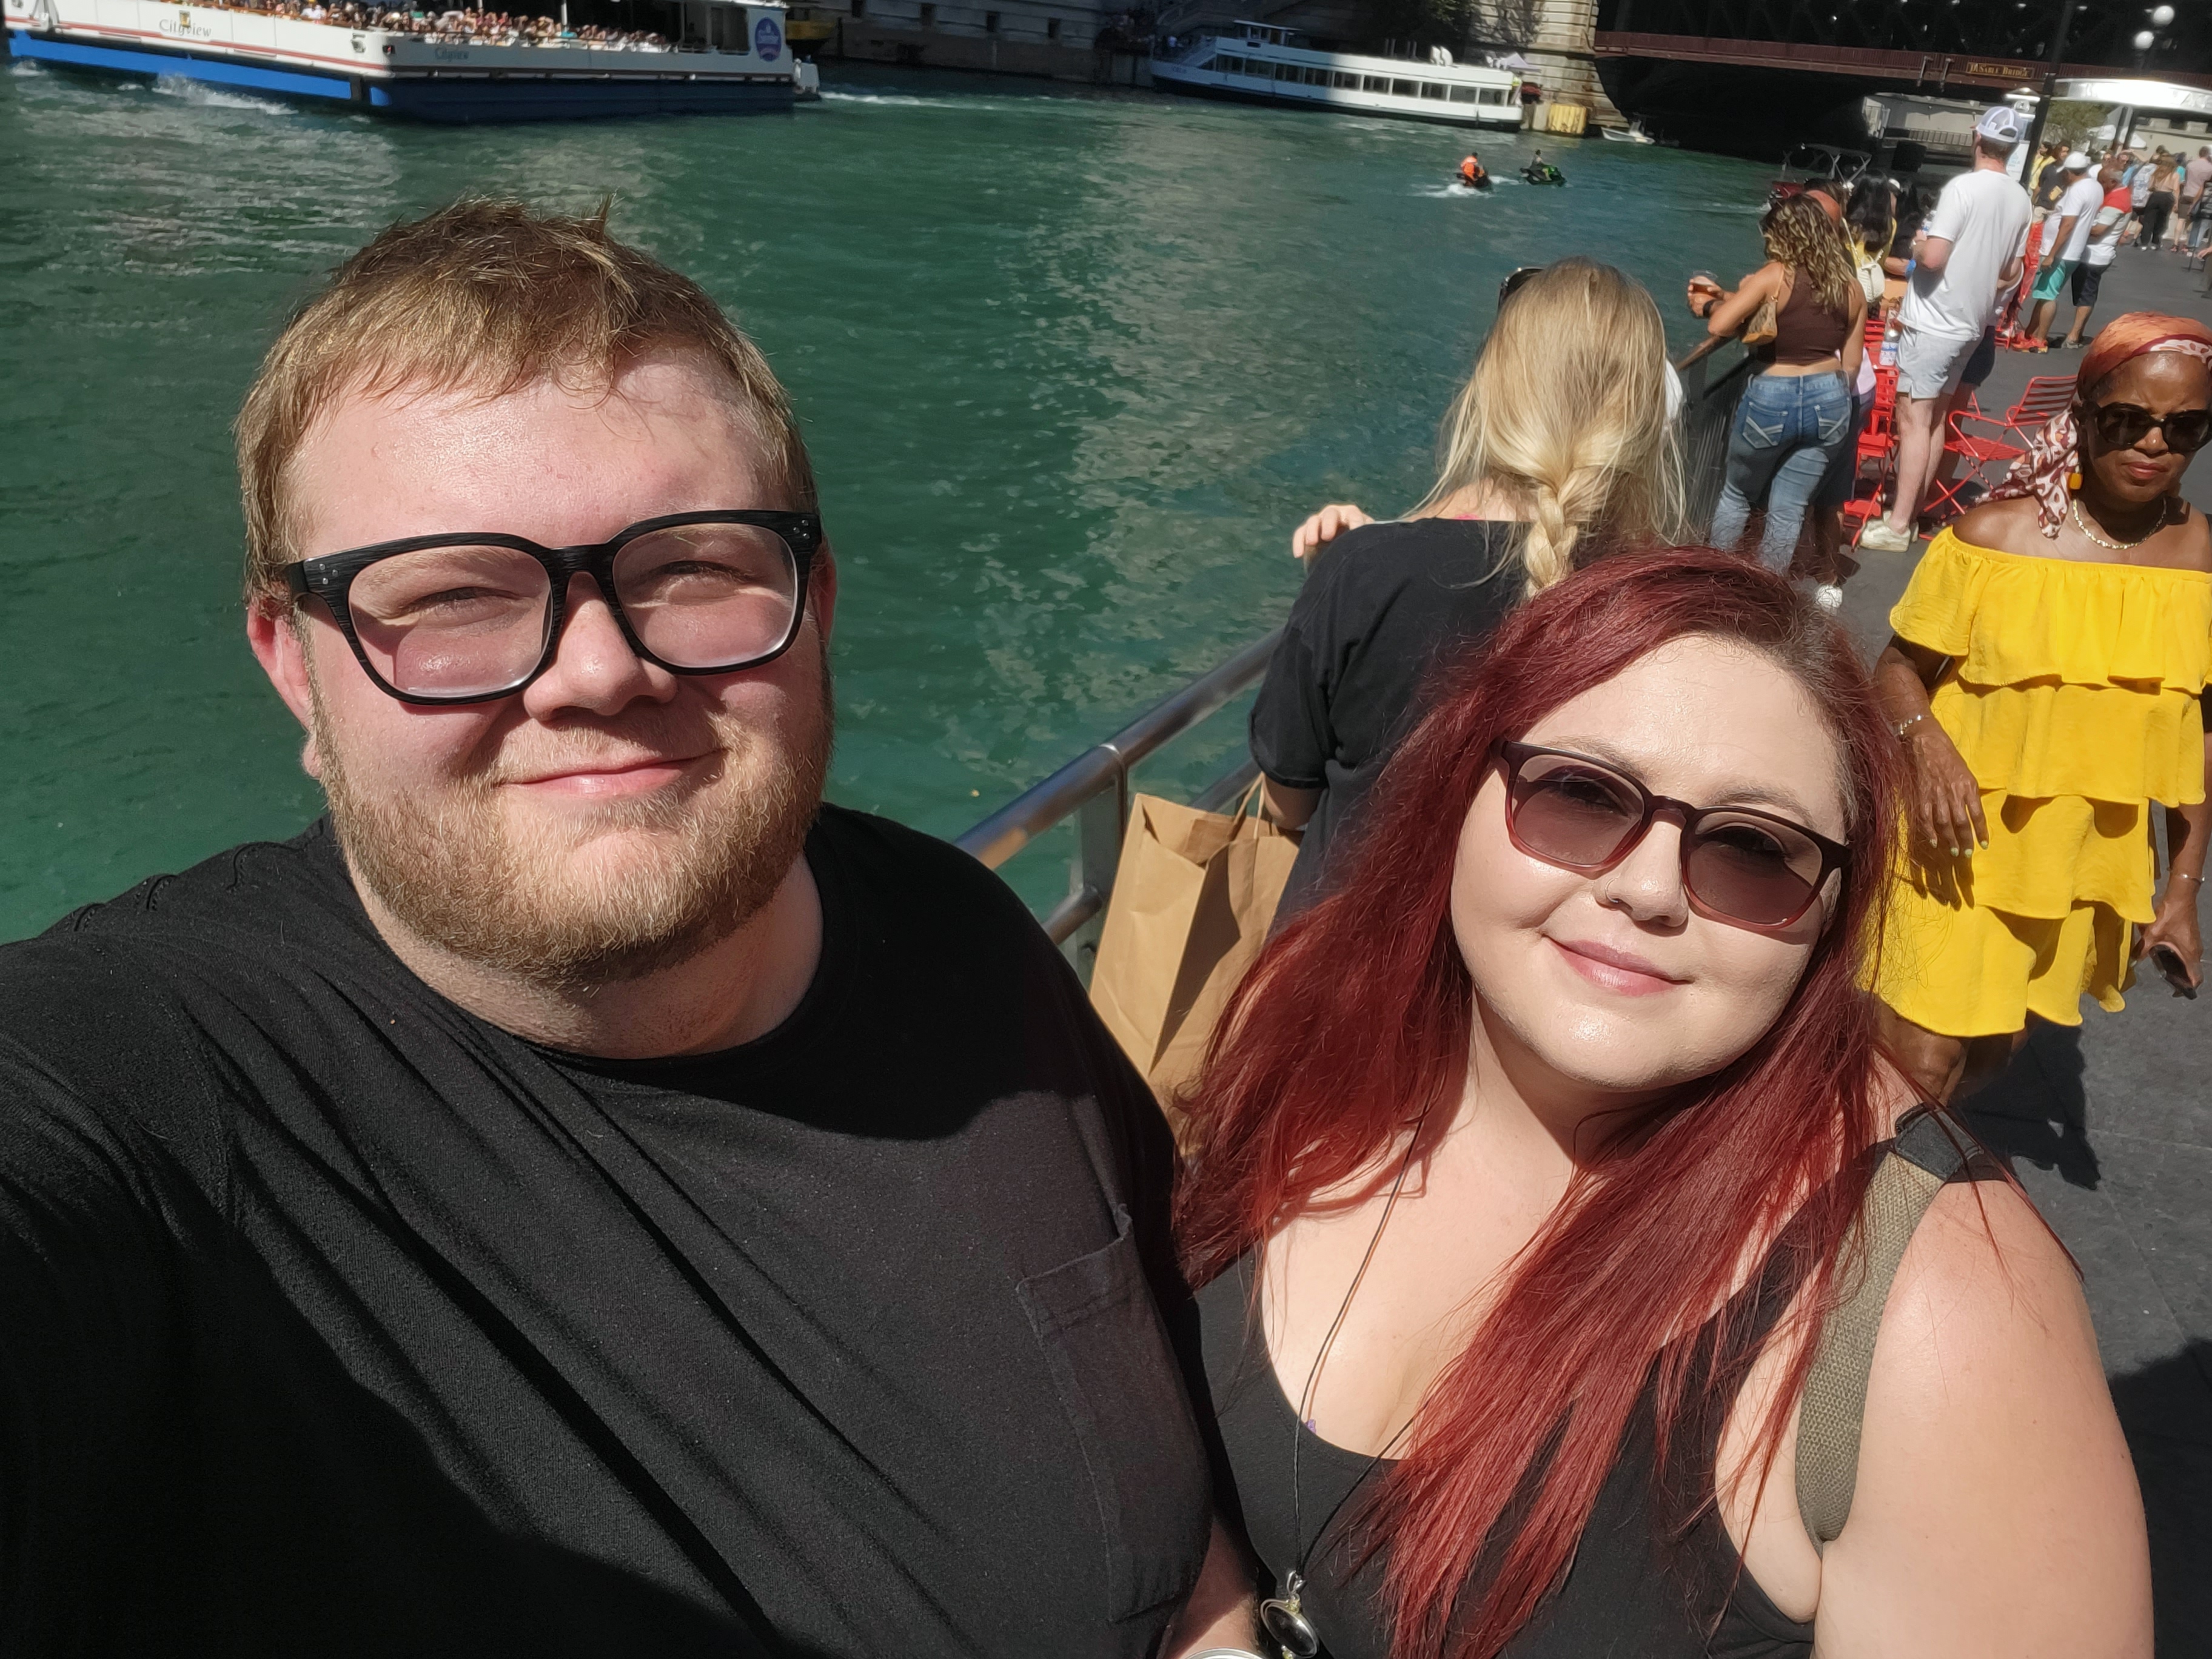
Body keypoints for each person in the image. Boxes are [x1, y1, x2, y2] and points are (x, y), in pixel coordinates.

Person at [0, 199, 1218, 1655]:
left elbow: (1166, 1511)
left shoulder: (958, 938)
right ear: (296, 669)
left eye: (690, 568)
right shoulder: (142, 1090)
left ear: (816, 603)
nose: (595, 670)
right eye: (455, 593)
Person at [1168, 548, 2153, 1657]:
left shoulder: (1944, 1325)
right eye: (1582, 794)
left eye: (1750, 850)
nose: (1645, 889)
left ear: (1831, 913)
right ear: (1460, 787)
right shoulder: (1316, 1034)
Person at [1250, 260, 1684, 917]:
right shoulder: (1662, 605)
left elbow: (1287, 802)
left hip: (1346, 953)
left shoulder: (1368, 573)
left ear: (1490, 388)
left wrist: (1350, 572)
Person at [1872, 312, 2212, 1104]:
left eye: (2185, 427)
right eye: (2127, 419)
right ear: (2084, 415)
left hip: (2079, 862)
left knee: (1992, 1053)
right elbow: (1896, 669)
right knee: (1921, 1063)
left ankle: (1879, 1162)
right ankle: (1864, 1174)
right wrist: (1930, 747)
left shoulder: (2203, 563)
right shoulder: (1993, 539)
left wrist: (2182, 891)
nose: (2153, 443)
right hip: (1954, 840)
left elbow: (2197, 735)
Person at [1858, 106, 2029, 554]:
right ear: (2012, 147)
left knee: (1914, 420)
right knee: (1934, 421)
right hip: (1971, 323)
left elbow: (1933, 258)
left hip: (1935, 320)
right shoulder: (2020, 198)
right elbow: (2011, 271)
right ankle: (1910, 513)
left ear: (1978, 138)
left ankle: (1897, 525)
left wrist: (1918, 245)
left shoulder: (1962, 189)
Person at [1697, 191, 1866, 578]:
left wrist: (1712, 302)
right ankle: (1766, 589)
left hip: (1774, 391)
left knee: (1738, 495)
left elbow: (1719, 325)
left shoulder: (1775, 275)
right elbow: (1853, 362)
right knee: (1789, 508)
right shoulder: (1851, 286)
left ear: (1785, 235)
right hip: (1831, 395)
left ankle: (1716, 580)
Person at [2024, 152, 2100, 349]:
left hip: (2062, 252)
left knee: (2048, 295)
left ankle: (2040, 340)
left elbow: (2067, 225)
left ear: (2069, 172)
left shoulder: (2077, 191)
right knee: (2044, 294)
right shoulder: (2095, 187)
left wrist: (2052, 255)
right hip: (2073, 251)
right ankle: (2030, 334)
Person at [2059, 160, 2133, 349]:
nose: (2099, 185)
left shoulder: (2117, 201)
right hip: (2092, 252)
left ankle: (2074, 336)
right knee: (2082, 294)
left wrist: (2077, 223)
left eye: (2102, 182)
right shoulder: (2115, 195)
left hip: (2096, 254)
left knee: (2086, 294)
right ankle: (2076, 334)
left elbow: (2099, 230)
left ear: (2113, 182)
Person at [2140, 150, 2180, 252]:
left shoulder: (2156, 173)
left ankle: (2144, 242)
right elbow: (2176, 189)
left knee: (2148, 220)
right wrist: (2176, 202)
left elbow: (2150, 186)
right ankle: (2155, 241)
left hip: (2155, 195)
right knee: (2162, 220)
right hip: (2167, 197)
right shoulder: (2174, 175)